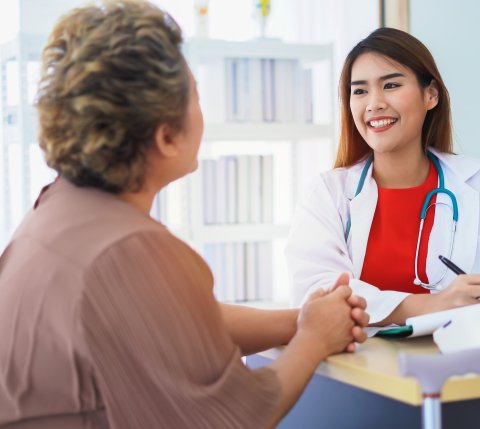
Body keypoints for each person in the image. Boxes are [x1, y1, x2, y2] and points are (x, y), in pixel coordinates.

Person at [0, 1, 369, 428]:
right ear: (166, 136)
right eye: (196, 94)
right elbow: (236, 416)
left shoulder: (57, 209)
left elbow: (177, 325)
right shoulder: (131, 248)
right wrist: (313, 338)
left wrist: (300, 319)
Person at [286, 27, 480, 328]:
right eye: (360, 91)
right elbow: (320, 293)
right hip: (355, 370)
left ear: (430, 95)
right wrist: (434, 304)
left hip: (456, 365)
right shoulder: (327, 194)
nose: (374, 103)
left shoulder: (473, 185)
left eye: (390, 85)